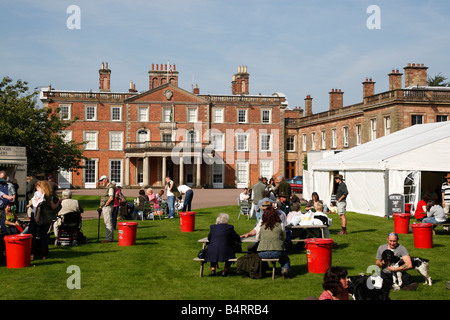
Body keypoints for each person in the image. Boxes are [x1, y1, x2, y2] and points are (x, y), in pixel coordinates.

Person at [28, 180, 62, 260]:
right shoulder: (49, 195)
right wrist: (59, 202)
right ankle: (44, 254)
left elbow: (38, 206)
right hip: (46, 218)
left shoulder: (39, 194)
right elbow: (53, 207)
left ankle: (32, 253)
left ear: (40, 187)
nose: (36, 188)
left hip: (37, 216)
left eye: (37, 187)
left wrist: (36, 216)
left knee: (32, 234)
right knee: (44, 236)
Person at [256, 204, 291, 279]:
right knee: (285, 260)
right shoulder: (280, 225)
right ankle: (285, 269)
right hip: (277, 251)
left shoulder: (261, 226)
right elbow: (284, 238)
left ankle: (264, 269)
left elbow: (257, 238)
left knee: (258, 255)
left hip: (262, 251)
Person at [98, 175, 115, 243]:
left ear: (105, 180)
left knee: (108, 223)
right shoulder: (108, 187)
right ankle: (111, 237)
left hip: (107, 207)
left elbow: (111, 198)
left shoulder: (110, 187)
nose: (101, 182)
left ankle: (108, 239)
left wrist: (105, 204)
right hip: (106, 206)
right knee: (107, 222)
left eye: (102, 180)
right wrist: (101, 206)